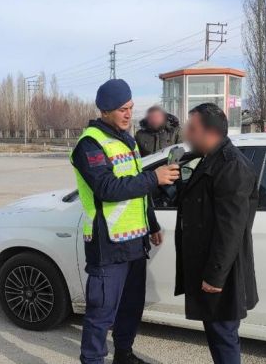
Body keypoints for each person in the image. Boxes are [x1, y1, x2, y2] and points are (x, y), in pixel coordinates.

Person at [71, 79, 180, 364]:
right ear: (106, 111)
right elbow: (107, 188)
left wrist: (152, 224)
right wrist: (154, 177)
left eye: (131, 107)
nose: (128, 114)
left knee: (131, 306)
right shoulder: (90, 144)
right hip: (107, 244)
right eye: (122, 109)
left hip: (134, 240)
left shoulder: (127, 140)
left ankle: (123, 353)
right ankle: (92, 359)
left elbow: (138, 194)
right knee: (101, 312)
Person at [175, 103, 259, 364]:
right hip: (211, 265)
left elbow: (230, 228)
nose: (187, 133)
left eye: (192, 128)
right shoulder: (211, 159)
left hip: (222, 273)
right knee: (217, 332)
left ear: (209, 131)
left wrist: (214, 275)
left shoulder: (231, 166)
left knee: (223, 335)